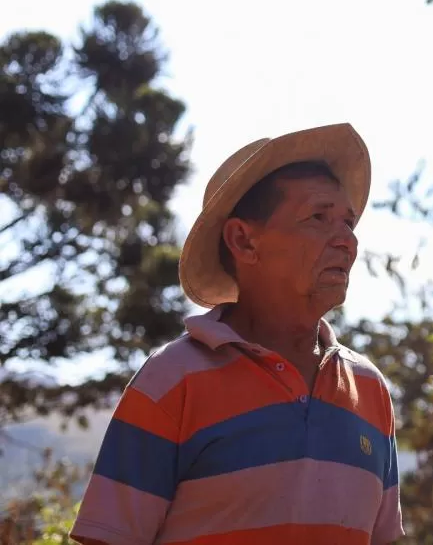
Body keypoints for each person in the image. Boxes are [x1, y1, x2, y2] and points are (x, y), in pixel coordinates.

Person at [70, 123, 404, 545]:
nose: (347, 241)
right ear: (243, 240)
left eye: (349, 222)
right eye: (319, 217)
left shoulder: (369, 390)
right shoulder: (172, 380)